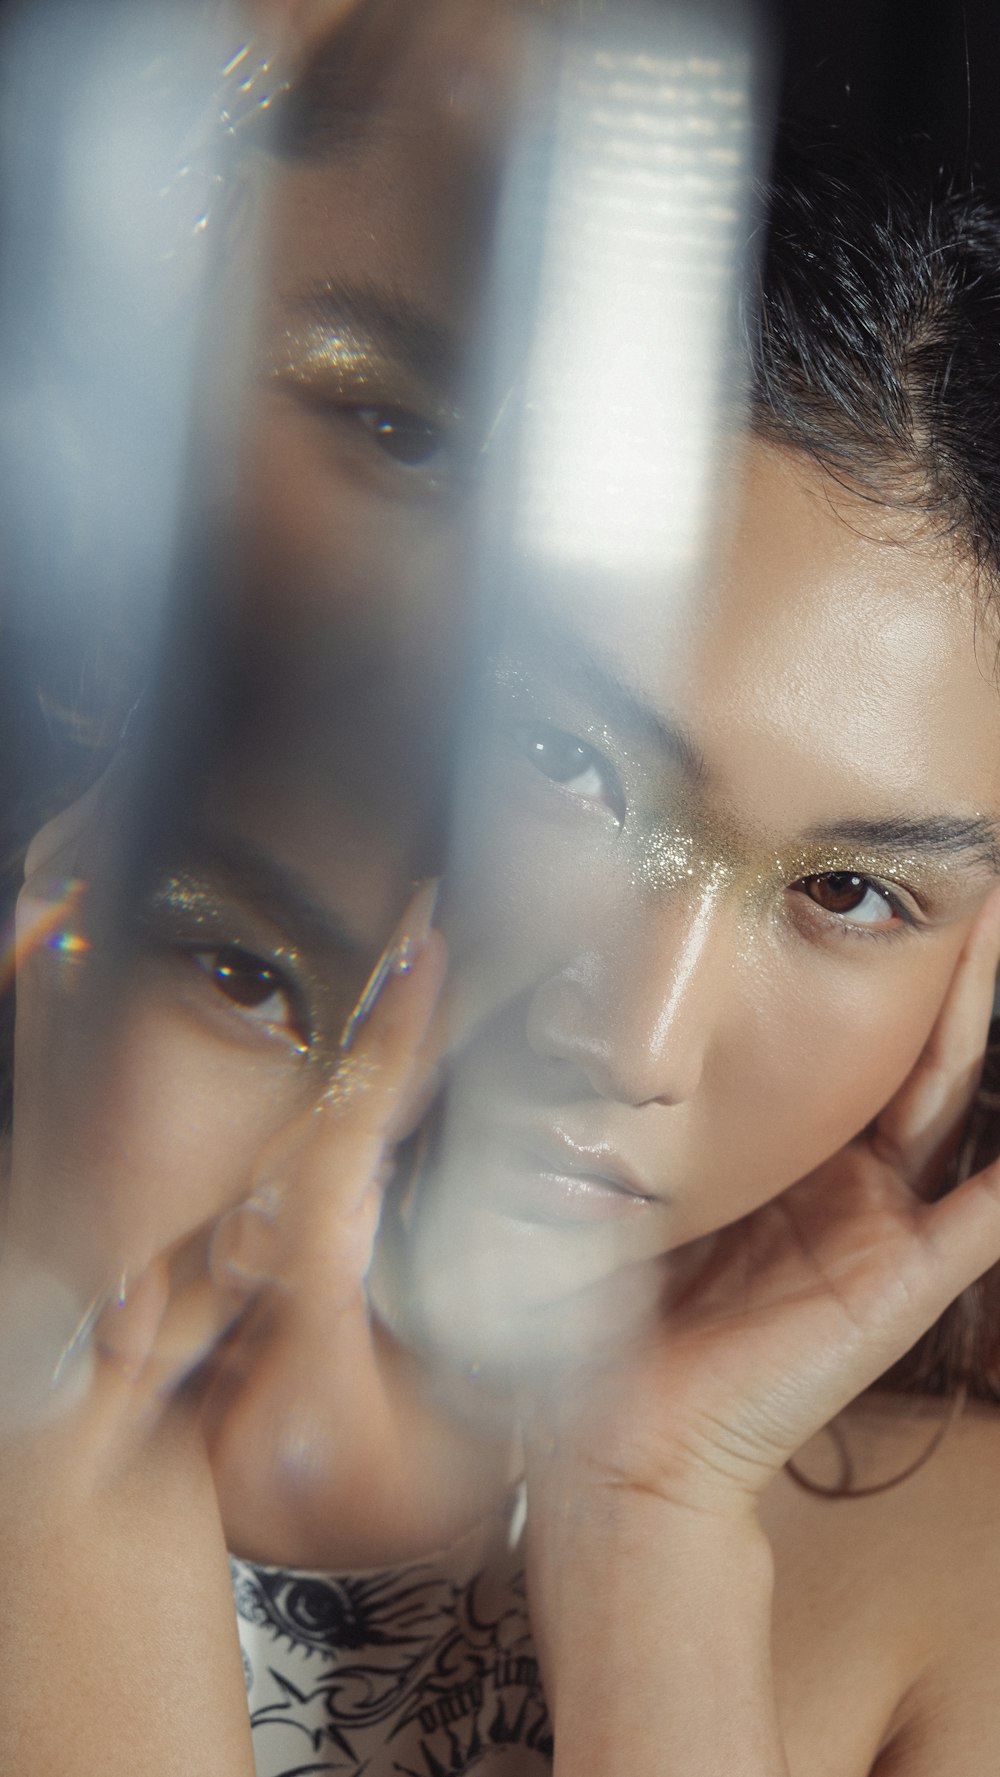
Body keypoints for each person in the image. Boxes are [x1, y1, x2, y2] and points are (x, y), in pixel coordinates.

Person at [4, 8, 1000, 1777]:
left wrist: (657, 1539)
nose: (639, 1031)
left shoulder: (951, 1595)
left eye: (848, 890)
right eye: (571, 763)